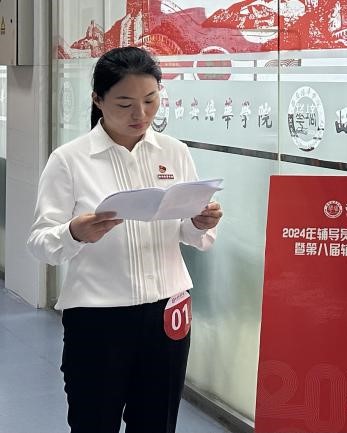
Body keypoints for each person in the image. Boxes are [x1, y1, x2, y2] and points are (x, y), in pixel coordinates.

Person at [27, 46, 223, 433]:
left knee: (157, 423)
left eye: (150, 100)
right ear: (98, 100)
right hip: (99, 318)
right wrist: (73, 232)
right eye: (124, 104)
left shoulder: (175, 152)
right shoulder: (70, 160)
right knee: (93, 422)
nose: (140, 115)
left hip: (168, 312)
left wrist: (200, 222)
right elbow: (39, 242)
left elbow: (190, 235)